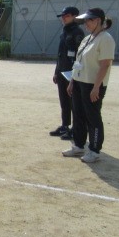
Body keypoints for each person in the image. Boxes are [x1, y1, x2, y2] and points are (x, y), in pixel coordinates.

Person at [62, 8, 115, 163]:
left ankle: (94, 149)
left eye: (88, 20)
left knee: (92, 117)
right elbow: (79, 62)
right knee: (78, 115)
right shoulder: (88, 38)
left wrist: (96, 87)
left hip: (92, 84)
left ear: (98, 20)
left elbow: (105, 65)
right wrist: (72, 81)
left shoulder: (105, 39)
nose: (85, 24)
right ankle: (78, 145)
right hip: (79, 82)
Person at [50, 7, 86, 140]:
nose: (64, 18)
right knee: (64, 101)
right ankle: (65, 126)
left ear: (75, 16)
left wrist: (75, 75)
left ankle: (75, 129)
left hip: (72, 73)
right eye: (63, 16)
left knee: (74, 103)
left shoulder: (78, 32)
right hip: (62, 72)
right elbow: (60, 55)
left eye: (67, 15)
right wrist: (56, 71)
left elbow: (79, 56)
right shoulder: (64, 32)